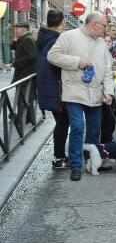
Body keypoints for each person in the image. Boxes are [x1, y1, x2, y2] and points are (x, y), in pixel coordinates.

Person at [47, 12, 115, 181]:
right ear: (94, 25)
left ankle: (90, 161)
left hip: (96, 93)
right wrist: (77, 62)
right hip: (74, 91)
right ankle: (75, 166)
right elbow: (52, 56)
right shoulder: (68, 36)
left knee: (94, 130)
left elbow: (107, 70)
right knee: (77, 127)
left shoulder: (101, 43)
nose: (106, 29)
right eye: (104, 25)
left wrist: (109, 92)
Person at [36, 10, 68, 169]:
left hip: (49, 87)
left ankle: (60, 156)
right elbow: (57, 64)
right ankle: (59, 157)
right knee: (63, 122)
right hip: (57, 88)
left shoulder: (44, 37)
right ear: (61, 22)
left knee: (62, 122)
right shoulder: (56, 40)